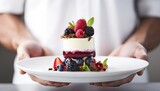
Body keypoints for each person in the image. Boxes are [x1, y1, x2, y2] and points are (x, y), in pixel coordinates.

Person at [0, 0, 160, 87]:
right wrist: (23, 42)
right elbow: (3, 14)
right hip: (35, 86)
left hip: (126, 84)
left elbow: (156, 14)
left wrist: (135, 44)